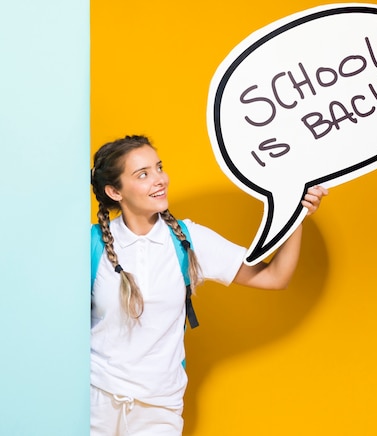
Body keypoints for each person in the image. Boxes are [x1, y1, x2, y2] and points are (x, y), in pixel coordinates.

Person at [90, 135, 328, 435]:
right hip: (93, 401)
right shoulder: (90, 244)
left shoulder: (189, 240)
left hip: (159, 408)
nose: (160, 180)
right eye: (143, 174)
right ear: (114, 191)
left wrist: (297, 216)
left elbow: (275, 277)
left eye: (159, 167)